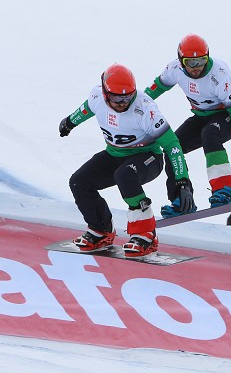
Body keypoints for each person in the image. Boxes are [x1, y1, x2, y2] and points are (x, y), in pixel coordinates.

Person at [59, 63, 194, 257]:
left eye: (127, 97)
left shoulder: (146, 109)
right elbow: (86, 109)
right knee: (79, 181)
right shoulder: (97, 96)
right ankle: (100, 230)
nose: (122, 103)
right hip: (115, 154)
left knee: (125, 175)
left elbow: (172, 145)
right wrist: (70, 122)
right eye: (116, 98)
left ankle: (146, 234)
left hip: (148, 157)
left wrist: (182, 181)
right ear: (105, 93)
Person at [145, 34, 231, 217]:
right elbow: (154, 90)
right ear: (181, 61)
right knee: (173, 147)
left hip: (226, 117)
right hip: (201, 116)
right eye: (191, 62)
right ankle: (181, 198)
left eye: (201, 61)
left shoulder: (220, 75)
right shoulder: (174, 69)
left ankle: (225, 189)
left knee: (210, 133)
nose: (196, 68)